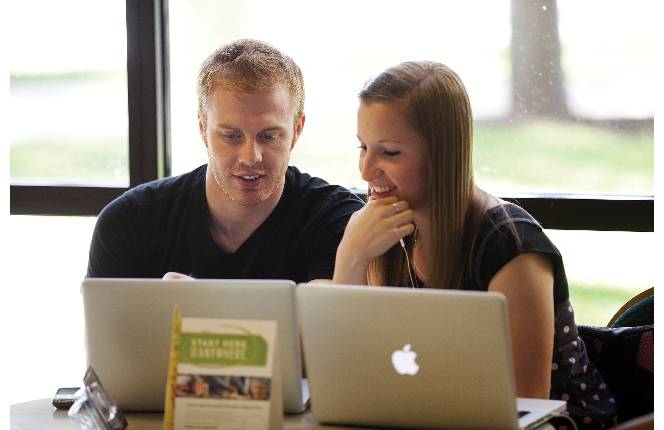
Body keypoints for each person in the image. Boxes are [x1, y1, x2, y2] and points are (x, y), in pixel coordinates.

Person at [333, 61, 617, 429]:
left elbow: (526, 406)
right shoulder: (385, 229)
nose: (366, 170)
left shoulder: (511, 245)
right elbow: (347, 373)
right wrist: (351, 257)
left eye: (389, 152)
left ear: (443, 153)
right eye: (363, 146)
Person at [87, 39, 364, 281]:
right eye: (232, 136)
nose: (250, 157)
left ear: (296, 131)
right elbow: (107, 341)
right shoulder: (129, 223)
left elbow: (328, 335)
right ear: (202, 128)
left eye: (268, 136)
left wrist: (202, 306)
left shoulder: (336, 221)